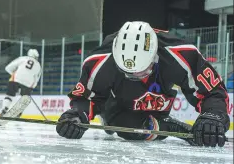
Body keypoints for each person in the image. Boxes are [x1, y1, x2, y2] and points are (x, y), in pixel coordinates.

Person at [56, 21, 230, 147]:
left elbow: (213, 90)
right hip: (119, 107)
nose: (135, 76)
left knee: (131, 127)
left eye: (141, 71)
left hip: (158, 104)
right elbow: (87, 96)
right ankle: (165, 124)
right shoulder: (100, 61)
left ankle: (163, 123)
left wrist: (213, 116)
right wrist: (77, 115)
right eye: (127, 72)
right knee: (125, 127)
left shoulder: (181, 54)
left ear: (155, 56)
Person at [0, 48, 42, 117]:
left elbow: (8, 68)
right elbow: (36, 78)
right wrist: (31, 88)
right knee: (24, 99)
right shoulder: (38, 65)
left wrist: (14, 73)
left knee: (9, 95)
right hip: (28, 83)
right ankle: (18, 113)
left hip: (16, 79)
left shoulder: (23, 58)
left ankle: (4, 110)